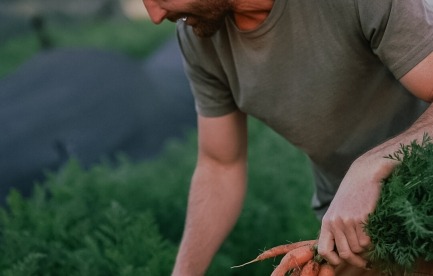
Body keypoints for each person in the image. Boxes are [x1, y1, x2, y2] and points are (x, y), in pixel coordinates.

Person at [142, 0, 433, 274]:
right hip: (350, 232)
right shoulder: (198, 38)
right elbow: (220, 164)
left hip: (424, 196)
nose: (154, 16)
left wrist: (372, 165)